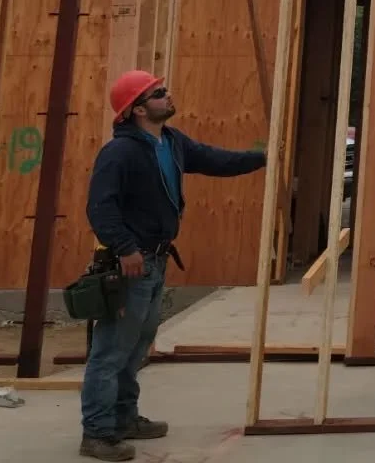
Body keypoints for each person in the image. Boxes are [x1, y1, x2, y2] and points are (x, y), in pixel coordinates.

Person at [80, 70, 266, 461]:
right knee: (112, 350)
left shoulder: (171, 141)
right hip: (131, 264)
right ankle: (97, 433)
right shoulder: (121, 153)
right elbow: (101, 207)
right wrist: (126, 248)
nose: (168, 96)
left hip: (156, 260)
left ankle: (125, 418)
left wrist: (263, 158)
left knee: (136, 346)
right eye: (159, 93)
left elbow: (216, 160)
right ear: (137, 109)